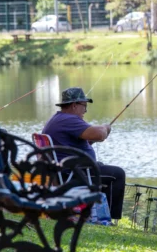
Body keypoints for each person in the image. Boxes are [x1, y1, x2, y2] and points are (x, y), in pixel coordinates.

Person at [42, 87, 126, 220]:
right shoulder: (69, 120)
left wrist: (88, 143)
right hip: (73, 173)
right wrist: (106, 128)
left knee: (103, 168)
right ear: (75, 105)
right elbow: (99, 134)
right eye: (84, 106)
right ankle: (110, 218)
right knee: (117, 174)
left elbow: (72, 143)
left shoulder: (57, 119)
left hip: (63, 171)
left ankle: (94, 214)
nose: (85, 111)